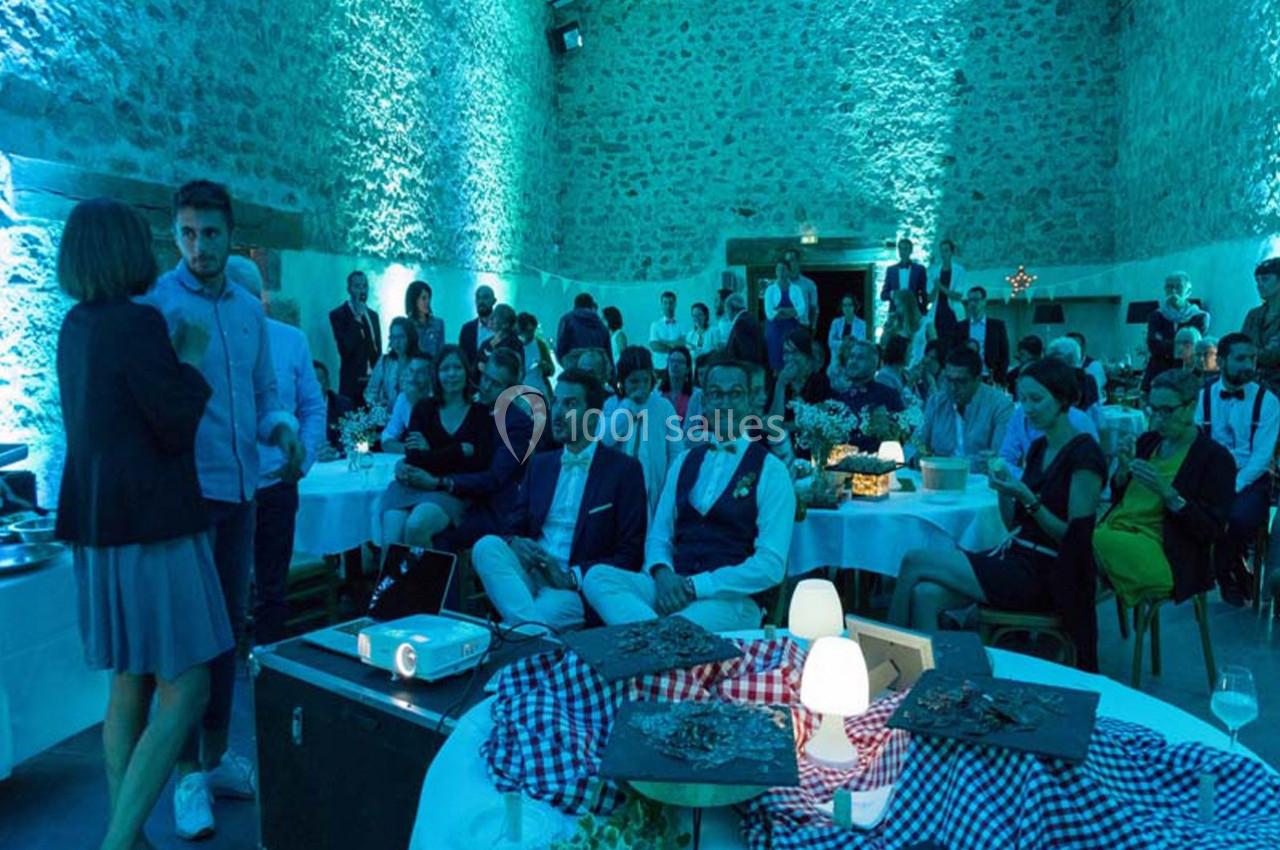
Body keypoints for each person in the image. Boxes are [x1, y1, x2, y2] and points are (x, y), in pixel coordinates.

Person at [55, 197, 230, 850]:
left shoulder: (75, 325)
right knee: (188, 687)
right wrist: (187, 355)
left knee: (128, 682)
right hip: (153, 532)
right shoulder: (136, 325)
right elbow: (173, 424)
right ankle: (118, 841)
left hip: (102, 531)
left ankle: (125, 834)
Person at [142, 180, 303, 840]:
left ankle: (215, 758)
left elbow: (265, 393)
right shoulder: (159, 304)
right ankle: (184, 777)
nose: (199, 246)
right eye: (187, 233)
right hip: (186, 499)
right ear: (175, 235)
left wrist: (283, 429)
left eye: (210, 234)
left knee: (230, 631)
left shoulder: (246, 307)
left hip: (243, 493)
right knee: (186, 641)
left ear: (230, 235)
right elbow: (151, 408)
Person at [888, 358, 1106, 651]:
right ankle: (936, 678)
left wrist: (1028, 497)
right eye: (1023, 399)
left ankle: (888, 652)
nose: (1027, 409)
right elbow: (1013, 525)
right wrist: (1005, 489)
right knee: (926, 594)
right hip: (1018, 556)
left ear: (1063, 398)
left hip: (1052, 572)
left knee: (915, 560)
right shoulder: (1040, 447)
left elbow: (1074, 540)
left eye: (1036, 399)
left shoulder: (1084, 456)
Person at [583, 358, 796, 631]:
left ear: (751, 403)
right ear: (705, 403)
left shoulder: (771, 471)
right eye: (717, 394)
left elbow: (770, 565)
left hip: (731, 601)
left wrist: (697, 586)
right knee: (597, 577)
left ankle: (650, 637)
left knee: (677, 625)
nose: (725, 403)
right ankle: (657, 638)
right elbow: (659, 536)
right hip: (674, 587)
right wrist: (663, 574)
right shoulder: (684, 461)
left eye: (735, 394)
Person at [473, 370, 648, 631]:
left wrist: (571, 577)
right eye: (555, 401)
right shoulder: (542, 464)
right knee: (486, 547)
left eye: (570, 404)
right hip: (530, 570)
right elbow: (512, 525)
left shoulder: (624, 470)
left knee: (540, 613)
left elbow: (630, 554)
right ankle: (531, 630)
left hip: (573, 588)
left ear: (593, 416)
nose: (556, 412)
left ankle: (524, 630)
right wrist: (515, 543)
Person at [225, 257, 327, 647]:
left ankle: (267, 666)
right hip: (226, 486)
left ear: (262, 298)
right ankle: (228, 672)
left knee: (272, 587)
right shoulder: (214, 344)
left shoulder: (290, 340)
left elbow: (313, 408)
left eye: (252, 298)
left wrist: (303, 461)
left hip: (275, 481)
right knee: (226, 586)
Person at [1095, 369, 1235, 607]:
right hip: (1118, 531)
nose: (1158, 419)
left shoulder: (1215, 458)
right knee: (1070, 557)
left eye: (1167, 411)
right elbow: (1122, 498)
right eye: (1153, 409)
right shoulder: (1148, 442)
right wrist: (1122, 470)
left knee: (1073, 545)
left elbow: (1212, 529)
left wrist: (1169, 494)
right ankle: (1069, 628)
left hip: (1165, 551)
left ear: (1190, 407)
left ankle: (1058, 630)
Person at [1194, 332, 1280, 606]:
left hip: (1252, 477)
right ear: (1221, 361)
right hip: (1210, 477)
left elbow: (1262, 456)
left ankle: (1223, 571)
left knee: (1240, 517)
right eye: (1240, 358)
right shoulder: (1203, 397)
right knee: (1196, 514)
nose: (1248, 365)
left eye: (1252, 359)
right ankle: (1234, 568)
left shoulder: (1268, 401)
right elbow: (1196, 444)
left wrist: (1235, 485)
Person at [381, 346, 491, 548]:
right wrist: (457, 450)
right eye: (445, 368)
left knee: (416, 526)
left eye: (457, 367)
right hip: (411, 485)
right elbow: (414, 457)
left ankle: (427, 581)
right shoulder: (424, 408)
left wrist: (430, 452)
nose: (451, 374)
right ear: (436, 374)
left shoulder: (480, 414)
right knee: (392, 534)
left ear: (466, 371)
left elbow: (478, 464)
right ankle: (394, 581)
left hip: (451, 490)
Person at [425, 348, 535, 550]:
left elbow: (495, 478)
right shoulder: (467, 403)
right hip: (458, 494)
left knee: (435, 532)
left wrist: (444, 482)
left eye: (495, 384)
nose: (485, 387)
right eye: (485, 378)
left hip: (488, 507)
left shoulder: (517, 424)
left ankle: (441, 580)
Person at [601, 346, 682, 519]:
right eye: (634, 381)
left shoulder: (663, 407)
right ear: (622, 381)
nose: (641, 387)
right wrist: (629, 407)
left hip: (655, 485)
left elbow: (676, 450)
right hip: (620, 486)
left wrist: (669, 484)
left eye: (645, 380)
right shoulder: (612, 405)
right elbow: (606, 440)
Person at [916, 347, 1014, 465]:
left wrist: (941, 461)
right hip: (938, 477)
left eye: (961, 382)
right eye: (949, 380)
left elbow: (998, 460)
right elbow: (921, 447)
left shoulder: (1000, 405)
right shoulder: (936, 402)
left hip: (982, 481)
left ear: (977, 380)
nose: (953, 388)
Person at [1142, 272, 1210, 390]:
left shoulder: (1199, 317)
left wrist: (1165, 343)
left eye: (1178, 287)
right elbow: (1153, 346)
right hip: (1158, 372)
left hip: (1186, 374)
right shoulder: (1156, 315)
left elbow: (1193, 348)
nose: (1173, 291)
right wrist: (1181, 344)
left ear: (1188, 291)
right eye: (1169, 287)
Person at [834, 340, 905, 452]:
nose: (853, 362)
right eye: (852, 357)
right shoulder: (840, 399)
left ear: (874, 364)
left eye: (860, 358)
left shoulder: (888, 396)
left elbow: (903, 434)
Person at [328, 270, 381, 405]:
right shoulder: (339, 315)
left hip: (373, 382)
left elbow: (376, 348)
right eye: (357, 286)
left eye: (364, 286)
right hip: (352, 381)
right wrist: (357, 318)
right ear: (349, 289)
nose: (362, 290)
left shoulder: (373, 316)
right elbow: (345, 349)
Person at [768, 329, 832, 422]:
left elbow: (818, 421)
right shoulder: (777, 382)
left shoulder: (820, 382)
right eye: (785, 352)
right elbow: (773, 424)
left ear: (806, 356)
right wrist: (781, 385)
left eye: (794, 352)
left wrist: (786, 427)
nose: (789, 358)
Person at [954, 286, 1009, 385]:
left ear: (984, 301)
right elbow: (956, 353)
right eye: (970, 300)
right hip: (967, 377)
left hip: (990, 377)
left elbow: (1004, 354)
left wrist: (1000, 378)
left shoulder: (997, 326)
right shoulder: (960, 327)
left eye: (976, 300)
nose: (972, 304)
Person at [380, 352, 434, 453]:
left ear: (431, 376)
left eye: (420, 372)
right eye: (411, 371)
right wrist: (407, 449)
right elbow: (387, 438)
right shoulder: (403, 398)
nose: (413, 377)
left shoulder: (440, 399)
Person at [364, 316, 419, 411]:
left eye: (401, 337)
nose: (397, 342)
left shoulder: (420, 362)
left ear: (410, 337)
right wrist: (378, 407)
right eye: (393, 337)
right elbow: (370, 391)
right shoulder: (385, 361)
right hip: (389, 417)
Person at [1243, 257, 1280, 392]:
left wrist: (1246, 353)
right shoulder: (1253, 315)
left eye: (1265, 279)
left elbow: (1273, 355)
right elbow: (1241, 345)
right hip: (1252, 384)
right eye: (1257, 280)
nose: (1259, 284)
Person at [763, 262, 807, 371]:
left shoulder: (796, 289)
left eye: (783, 269)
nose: (781, 272)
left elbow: (801, 309)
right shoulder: (770, 290)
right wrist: (791, 312)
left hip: (792, 328)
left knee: (793, 356)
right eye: (778, 269)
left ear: (788, 271)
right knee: (776, 358)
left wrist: (782, 311)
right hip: (775, 330)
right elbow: (770, 314)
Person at [926, 239, 964, 347]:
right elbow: (930, 298)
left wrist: (940, 287)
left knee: (953, 343)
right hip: (937, 312)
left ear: (952, 252)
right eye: (941, 251)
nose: (943, 254)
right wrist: (935, 288)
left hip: (953, 312)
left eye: (946, 251)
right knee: (937, 342)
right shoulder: (934, 271)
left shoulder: (959, 271)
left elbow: (957, 296)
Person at [882, 288, 931, 367]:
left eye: (898, 306)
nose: (897, 310)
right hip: (901, 369)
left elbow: (934, 349)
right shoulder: (898, 324)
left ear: (907, 305)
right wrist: (887, 327)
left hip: (919, 367)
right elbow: (883, 345)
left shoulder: (926, 323)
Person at [880, 238, 928, 315]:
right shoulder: (891, 270)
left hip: (914, 313)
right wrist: (893, 294)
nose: (902, 252)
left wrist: (923, 311)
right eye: (900, 249)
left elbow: (924, 293)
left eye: (905, 249)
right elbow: (883, 295)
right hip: (895, 313)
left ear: (911, 251)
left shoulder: (919, 269)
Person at [556, 293, 611, 362]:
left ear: (575, 305)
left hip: (574, 365)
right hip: (598, 367)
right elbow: (608, 353)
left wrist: (563, 361)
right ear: (591, 305)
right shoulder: (600, 324)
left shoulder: (567, 320)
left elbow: (561, 347)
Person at [314, 361, 350, 458]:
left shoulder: (343, 405)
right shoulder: (295, 407)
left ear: (327, 383)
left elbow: (354, 440)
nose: (315, 386)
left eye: (319, 380)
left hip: (333, 462)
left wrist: (336, 452)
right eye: (310, 382)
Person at [475, 303, 523, 375]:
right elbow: (477, 362)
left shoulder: (515, 344)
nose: (491, 320)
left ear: (505, 324)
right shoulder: (487, 343)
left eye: (494, 317)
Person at [405, 279, 446, 363]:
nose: (427, 302)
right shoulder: (406, 326)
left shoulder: (438, 323)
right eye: (423, 298)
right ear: (414, 300)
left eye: (429, 298)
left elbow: (441, 352)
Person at [517, 311, 555, 401]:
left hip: (538, 390)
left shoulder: (540, 345)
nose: (530, 334)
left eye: (532, 330)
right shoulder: (513, 344)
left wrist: (545, 366)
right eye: (527, 331)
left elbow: (551, 370)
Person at [724, 292, 769, 369]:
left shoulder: (741, 323)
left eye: (726, 311)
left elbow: (747, 352)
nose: (727, 314)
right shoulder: (749, 318)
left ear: (731, 309)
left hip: (745, 371)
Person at [659, 344, 700, 425]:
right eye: (672, 361)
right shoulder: (657, 393)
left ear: (688, 369)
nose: (675, 365)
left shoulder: (696, 395)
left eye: (680, 362)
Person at [782, 248, 820, 335]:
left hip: (802, 326)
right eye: (786, 261)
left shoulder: (809, 284)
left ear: (798, 262)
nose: (789, 264)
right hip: (783, 326)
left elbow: (814, 308)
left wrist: (813, 327)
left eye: (792, 260)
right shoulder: (778, 285)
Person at [458, 284, 496, 366]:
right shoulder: (467, 329)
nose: (481, 301)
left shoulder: (501, 329)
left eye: (485, 297)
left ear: (494, 301)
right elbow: (462, 358)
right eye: (478, 298)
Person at [1067, 331, 1107, 401]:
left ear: (1084, 347)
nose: (1072, 350)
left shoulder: (1094, 365)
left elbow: (1088, 391)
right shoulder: (1062, 365)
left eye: (1076, 346)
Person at [649, 290, 684, 370]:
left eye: (671, 303)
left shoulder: (681, 325)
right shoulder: (655, 325)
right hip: (659, 366)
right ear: (661, 305)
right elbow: (654, 346)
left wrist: (663, 342)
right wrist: (674, 348)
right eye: (665, 303)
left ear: (675, 304)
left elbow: (683, 344)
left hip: (677, 367)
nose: (668, 306)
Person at [826, 294, 866, 358]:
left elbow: (861, 342)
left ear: (854, 306)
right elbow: (830, 342)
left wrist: (850, 344)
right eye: (844, 305)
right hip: (837, 358)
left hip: (854, 357)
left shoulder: (862, 324)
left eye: (849, 305)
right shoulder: (836, 322)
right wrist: (844, 343)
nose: (847, 308)